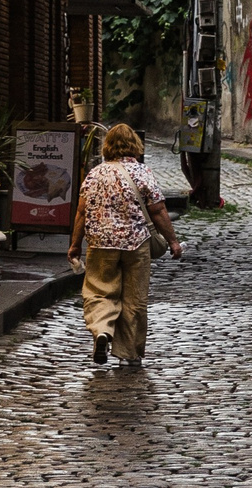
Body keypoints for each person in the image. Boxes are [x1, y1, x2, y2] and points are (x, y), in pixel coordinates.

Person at [68, 123, 180, 366]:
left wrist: (75, 245)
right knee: (134, 299)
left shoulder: (95, 173)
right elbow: (159, 210)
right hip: (136, 243)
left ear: (107, 146)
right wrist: (173, 241)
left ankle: (102, 331)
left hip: (100, 243)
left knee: (99, 291)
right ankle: (128, 353)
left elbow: (81, 212)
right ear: (135, 146)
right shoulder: (142, 172)